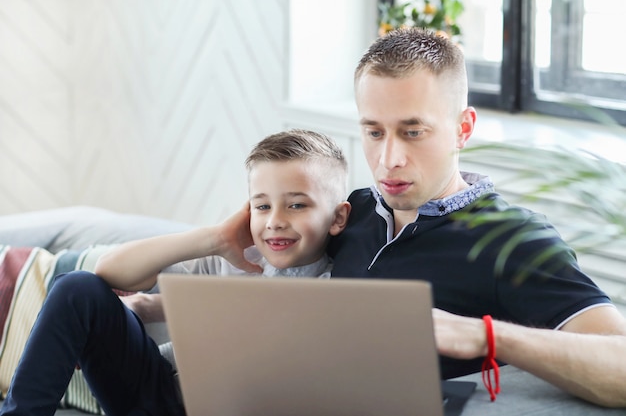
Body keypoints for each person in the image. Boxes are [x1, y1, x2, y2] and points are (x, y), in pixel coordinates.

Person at [322, 27, 626, 407]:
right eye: (374, 132)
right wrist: (224, 238)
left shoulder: (512, 239)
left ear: (462, 129)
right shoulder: (356, 210)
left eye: (413, 131)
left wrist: (486, 336)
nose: (388, 159)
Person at [0, 129, 351, 416]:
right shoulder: (229, 257)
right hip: (158, 390)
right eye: (262, 205)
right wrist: (213, 238)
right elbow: (109, 271)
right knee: (77, 287)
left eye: (296, 205)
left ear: (338, 217)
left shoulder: (340, 288)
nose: (275, 221)